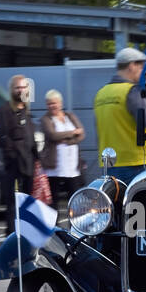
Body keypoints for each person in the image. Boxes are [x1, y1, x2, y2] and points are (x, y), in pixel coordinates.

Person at [94, 47, 146, 182]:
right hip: (135, 162)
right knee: (139, 202)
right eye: (140, 67)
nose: (141, 71)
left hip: (109, 164)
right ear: (131, 66)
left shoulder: (100, 93)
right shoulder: (132, 91)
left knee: (116, 202)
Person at [0, 74, 37, 236]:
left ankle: (25, 233)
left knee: (27, 201)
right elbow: (2, 137)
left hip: (29, 164)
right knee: (13, 204)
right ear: (12, 90)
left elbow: (31, 137)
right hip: (13, 166)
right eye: (18, 87)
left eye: (24, 87)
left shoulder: (26, 111)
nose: (21, 90)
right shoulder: (4, 110)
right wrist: (13, 156)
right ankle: (12, 235)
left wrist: (36, 159)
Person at [39, 89, 85, 220]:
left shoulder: (70, 116)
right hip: (54, 167)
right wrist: (72, 133)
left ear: (60, 103)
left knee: (74, 200)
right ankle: (54, 230)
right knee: (53, 202)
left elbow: (81, 134)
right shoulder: (45, 119)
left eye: (54, 103)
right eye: (49, 104)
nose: (52, 106)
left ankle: (75, 228)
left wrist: (65, 139)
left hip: (72, 167)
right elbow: (52, 135)